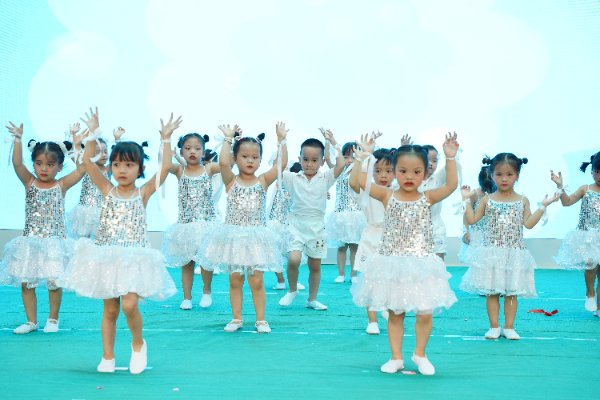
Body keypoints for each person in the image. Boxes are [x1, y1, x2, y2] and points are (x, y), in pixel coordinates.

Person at [60, 108, 179, 374]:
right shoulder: (106, 188)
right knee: (111, 310)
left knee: (129, 304)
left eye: (129, 165)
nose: (122, 170)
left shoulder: (143, 193)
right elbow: (88, 162)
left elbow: (166, 168)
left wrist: (166, 139)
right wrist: (93, 133)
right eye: (116, 165)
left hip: (134, 258)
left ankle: (138, 344)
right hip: (107, 257)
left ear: (139, 169)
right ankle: (108, 357)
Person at [351, 133, 459, 375]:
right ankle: (396, 357)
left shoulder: (427, 197)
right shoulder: (387, 195)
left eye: (416, 172)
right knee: (395, 313)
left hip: (421, 264)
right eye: (402, 171)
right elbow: (359, 182)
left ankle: (420, 354)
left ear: (425, 173)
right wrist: (364, 157)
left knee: (425, 312)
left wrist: (450, 158)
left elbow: (451, 186)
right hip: (393, 264)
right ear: (394, 171)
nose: (409, 177)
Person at [196, 123, 288, 333]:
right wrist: (228, 139)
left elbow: (281, 164)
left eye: (255, 157)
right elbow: (223, 162)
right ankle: (236, 318)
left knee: (256, 281)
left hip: (256, 240)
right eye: (245, 156)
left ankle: (261, 320)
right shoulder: (230, 180)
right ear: (235, 158)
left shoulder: (263, 180)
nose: (250, 160)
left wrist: (282, 141)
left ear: (260, 160)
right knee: (235, 280)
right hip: (234, 239)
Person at [461, 153, 559, 340]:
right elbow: (472, 220)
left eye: (509, 174)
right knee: (492, 292)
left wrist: (543, 207)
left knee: (511, 293)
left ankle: (509, 327)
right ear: (491, 175)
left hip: (514, 254)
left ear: (517, 176)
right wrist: (466, 200)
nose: (504, 179)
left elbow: (528, 224)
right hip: (491, 253)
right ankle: (494, 326)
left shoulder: (522, 200)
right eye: (499, 174)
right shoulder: (487, 199)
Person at [1, 121, 85, 334]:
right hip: (30, 242)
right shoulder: (29, 182)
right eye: (38, 163)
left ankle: (53, 319)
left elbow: (82, 169)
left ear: (59, 166)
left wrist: (76, 143)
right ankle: (31, 321)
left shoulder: (61, 185)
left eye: (50, 164)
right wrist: (18, 139)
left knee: (54, 282)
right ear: (33, 164)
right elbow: (17, 164)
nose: (44, 169)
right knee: (27, 283)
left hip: (54, 242)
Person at [278, 129, 345, 311]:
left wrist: (333, 142)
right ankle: (292, 290)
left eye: (314, 160)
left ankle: (312, 299)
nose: (309, 164)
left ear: (322, 162)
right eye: (305, 159)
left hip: (316, 227)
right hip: (296, 225)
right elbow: (280, 166)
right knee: (293, 259)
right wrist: (282, 141)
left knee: (315, 265)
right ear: (299, 159)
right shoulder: (292, 178)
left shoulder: (325, 178)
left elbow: (340, 164)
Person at [162, 133, 219, 310]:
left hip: (206, 224)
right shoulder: (180, 171)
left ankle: (206, 291)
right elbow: (165, 166)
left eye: (197, 148)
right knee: (187, 262)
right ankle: (187, 297)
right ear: (181, 152)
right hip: (185, 225)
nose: (192, 151)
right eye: (187, 148)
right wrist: (166, 139)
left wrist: (230, 140)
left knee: (206, 261)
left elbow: (227, 164)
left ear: (203, 152)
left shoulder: (209, 169)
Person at [349, 133, 394, 335]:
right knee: (369, 279)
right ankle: (372, 320)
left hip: (392, 240)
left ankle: (386, 306)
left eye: (388, 171)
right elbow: (354, 182)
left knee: (390, 278)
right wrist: (361, 158)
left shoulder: (398, 190)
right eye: (378, 170)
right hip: (371, 238)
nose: (383, 175)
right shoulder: (367, 190)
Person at [551, 151, 600, 314]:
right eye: (597, 172)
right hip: (588, 236)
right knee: (591, 265)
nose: (599, 176)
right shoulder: (586, 189)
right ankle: (590, 292)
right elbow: (567, 202)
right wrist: (560, 187)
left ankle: (599, 308)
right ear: (591, 171)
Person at [325, 141, 366, 283]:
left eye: (353, 157)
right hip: (340, 214)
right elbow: (328, 159)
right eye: (346, 157)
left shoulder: (359, 171)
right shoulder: (339, 170)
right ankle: (341, 274)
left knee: (354, 247)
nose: (349, 160)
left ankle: (353, 275)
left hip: (355, 214)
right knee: (341, 247)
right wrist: (328, 142)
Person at [67, 124, 116, 238]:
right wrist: (76, 140)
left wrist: (117, 139)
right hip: (86, 210)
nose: (103, 155)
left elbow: (118, 159)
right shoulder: (86, 167)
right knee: (84, 239)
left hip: (102, 210)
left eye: (105, 151)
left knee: (101, 239)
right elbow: (77, 156)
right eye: (98, 152)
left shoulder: (108, 169)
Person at [268, 162, 306, 291]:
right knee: (275, 253)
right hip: (276, 223)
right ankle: (281, 281)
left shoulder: (303, 190)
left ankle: (293, 280)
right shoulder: (282, 181)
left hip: (292, 225)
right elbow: (278, 167)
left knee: (294, 254)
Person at [458, 166, 496, 264]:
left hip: (493, 233)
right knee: (478, 262)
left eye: (491, 187)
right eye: (485, 188)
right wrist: (466, 231)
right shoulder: (475, 194)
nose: (488, 190)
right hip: (477, 233)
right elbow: (466, 213)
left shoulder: (499, 193)